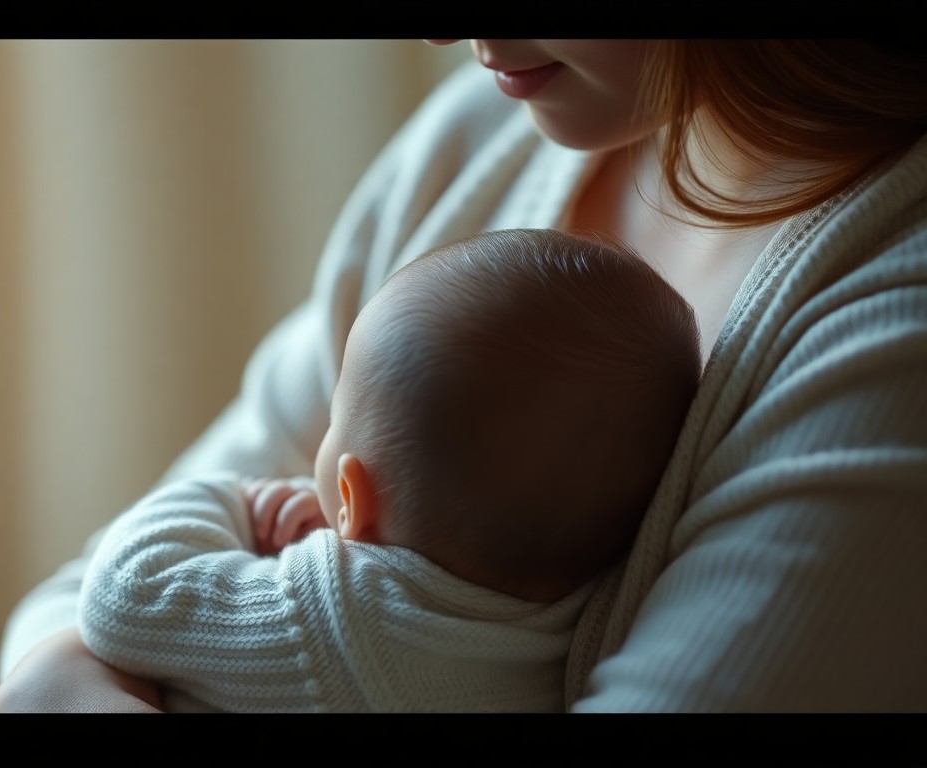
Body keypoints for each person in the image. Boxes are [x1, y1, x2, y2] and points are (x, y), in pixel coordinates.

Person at [0, 40, 927, 713]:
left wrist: (66, 671)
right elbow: (57, 600)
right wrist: (52, 665)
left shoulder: (892, 316)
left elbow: (103, 592)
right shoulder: (486, 137)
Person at [75, 228, 702, 712]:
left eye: (334, 414)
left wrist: (231, 503)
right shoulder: (563, 643)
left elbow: (126, 593)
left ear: (349, 494)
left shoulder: (325, 618)